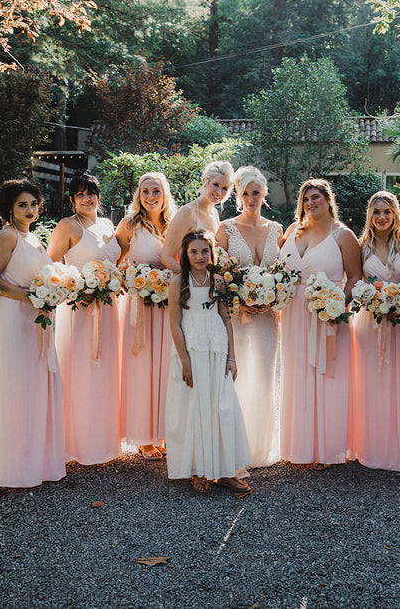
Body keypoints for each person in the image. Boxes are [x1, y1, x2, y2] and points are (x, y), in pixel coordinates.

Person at [0, 179, 65, 487]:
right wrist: (28, 297)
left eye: (33, 204)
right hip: (13, 320)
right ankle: (13, 468)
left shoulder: (34, 237)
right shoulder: (8, 236)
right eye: (22, 205)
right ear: (10, 209)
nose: (29, 210)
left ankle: (35, 461)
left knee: (35, 389)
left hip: (37, 320)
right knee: (16, 390)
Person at [278, 179, 362, 466]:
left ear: (328, 200)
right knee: (297, 374)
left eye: (316, 197)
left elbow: (354, 277)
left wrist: (336, 304)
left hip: (326, 316)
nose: (310, 203)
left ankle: (328, 447)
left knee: (327, 375)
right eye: (305, 199)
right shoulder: (292, 231)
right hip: (292, 314)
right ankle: (299, 445)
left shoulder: (343, 235)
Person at [165, 231, 252, 496]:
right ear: (185, 254)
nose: (200, 256)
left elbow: (226, 319)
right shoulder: (179, 282)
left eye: (205, 251)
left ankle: (226, 469)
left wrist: (232, 356)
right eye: (194, 251)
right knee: (196, 405)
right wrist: (185, 361)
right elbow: (175, 324)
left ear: (211, 254)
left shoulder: (218, 282)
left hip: (217, 347)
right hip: (192, 349)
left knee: (222, 405)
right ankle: (199, 468)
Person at [48, 172, 121, 466]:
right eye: (80, 194)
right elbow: (51, 269)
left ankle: (104, 442)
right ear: (71, 199)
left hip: (109, 309)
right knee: (81, 372)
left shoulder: (106, 225)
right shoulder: (67, 226)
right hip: (80, 309)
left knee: (106, 372)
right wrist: (77, 292)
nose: (87, 199)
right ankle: (78, 444)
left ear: (98, 196)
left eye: (91, 193)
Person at [214, 166, 284, 467]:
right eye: (245, 193)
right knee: (238, 375)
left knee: (266, 376)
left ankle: (260, 447)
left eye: (256, 192)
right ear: (238, 196)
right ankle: (234, 448)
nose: (251, 198)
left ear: (264, 193)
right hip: (236, 316)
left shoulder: (277, 230)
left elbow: (283, 274)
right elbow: (217, 274)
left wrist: (272, 297)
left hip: (268, 315)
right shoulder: (226, 229)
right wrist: (239, 299)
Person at [115, 172, 177, 461]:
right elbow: (115, 264)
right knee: (142, 368)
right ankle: (143, 437)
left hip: (167, 308)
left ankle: (162, 431)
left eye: (156, 191)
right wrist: (133, 281)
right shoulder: (129, 225)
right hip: (140, 306)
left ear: (165, 194)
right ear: (138, 195)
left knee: (166, 367)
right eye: (145, 191)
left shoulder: (174, 225)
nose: (150, 196)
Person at [350, 191, 400, 472]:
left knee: (399, 382)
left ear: (395, 214)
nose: (382, 217)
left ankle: (397, 446)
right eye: (377, 212)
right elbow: (355, 282)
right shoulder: (361, 246)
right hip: (368, 322)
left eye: (387, 212)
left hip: (399, 322)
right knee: (370, 381)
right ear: (370, 216)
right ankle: (370, 446)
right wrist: (369, 300)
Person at [160, 160, 234, 272]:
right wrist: (191, 280)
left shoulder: (214, 214)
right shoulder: (187, 213)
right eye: (215, 184)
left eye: (225, 188)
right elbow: (166, 257)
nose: (219, 192)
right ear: (205, 182)